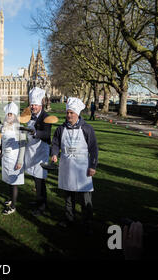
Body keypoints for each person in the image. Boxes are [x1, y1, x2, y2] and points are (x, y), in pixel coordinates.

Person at [51, 97, 98, 235]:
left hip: (83, 168)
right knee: (68, 196)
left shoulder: (87, 129)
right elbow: (55, 143)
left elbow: (94, 148)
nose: (69, 115)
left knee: (85, 199)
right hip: (67, 167)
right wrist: (54, 153)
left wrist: (93, 166)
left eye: (71, 113)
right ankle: (68, 219)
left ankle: (87, 223)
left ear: (77, 113)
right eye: (67, 113)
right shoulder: (61, 129)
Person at [24, 87, 52, 216]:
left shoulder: (46, 117)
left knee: (40, 179)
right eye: (32, 104)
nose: (33, 107)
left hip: (41, 151)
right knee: (35, 178)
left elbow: (46, 134)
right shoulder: (29, 115)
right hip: (31, 151)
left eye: (35, 104)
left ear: (40, 105)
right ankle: (38, 201)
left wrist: (35, 132)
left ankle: (41, 206)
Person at [0, 102, 26, 215]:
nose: (9, 116)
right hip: (6, 157)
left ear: (15, 115)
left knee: (14, 182)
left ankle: (13, 206)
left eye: (11, 114)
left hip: (15, 157)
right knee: (8, 179)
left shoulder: (19, 128)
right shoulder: (2, 126)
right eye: (7, 114)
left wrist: (20, 161)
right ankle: (11, 198)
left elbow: (22, 145)